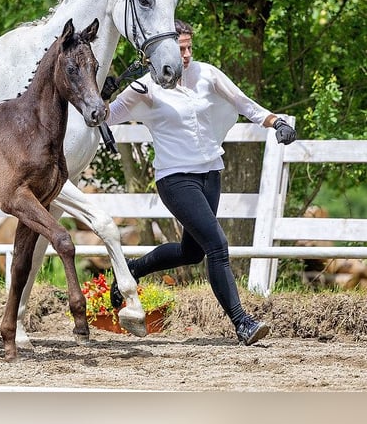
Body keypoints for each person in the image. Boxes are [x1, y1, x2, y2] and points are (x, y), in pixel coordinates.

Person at [107, 19, 297, 345]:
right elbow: (104, 117)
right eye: (180, 49)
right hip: (175, 178)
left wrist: (275, 121)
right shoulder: (144, 89)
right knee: (217, 245)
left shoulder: (207, 74)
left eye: (189, 48)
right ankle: (243, 322)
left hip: (211, 173)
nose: (185, 55)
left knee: (191, 252)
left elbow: (243, 103)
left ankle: (132, 269)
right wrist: (102, 95)